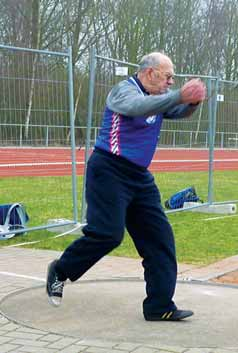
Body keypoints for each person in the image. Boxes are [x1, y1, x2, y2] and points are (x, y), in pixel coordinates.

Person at [46, 52, 206, 321]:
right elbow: (137, 108)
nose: (170, 82)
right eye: (167, 76)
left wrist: (193, 101)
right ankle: (61, 271)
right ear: (149, 73)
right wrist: (180, 94)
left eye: (173, 79)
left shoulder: (159, 97)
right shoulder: (123, 91)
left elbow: (178, 111)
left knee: (160, 240)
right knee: (107, 234)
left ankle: (159, 306)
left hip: (139, 178)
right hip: (109, 170)